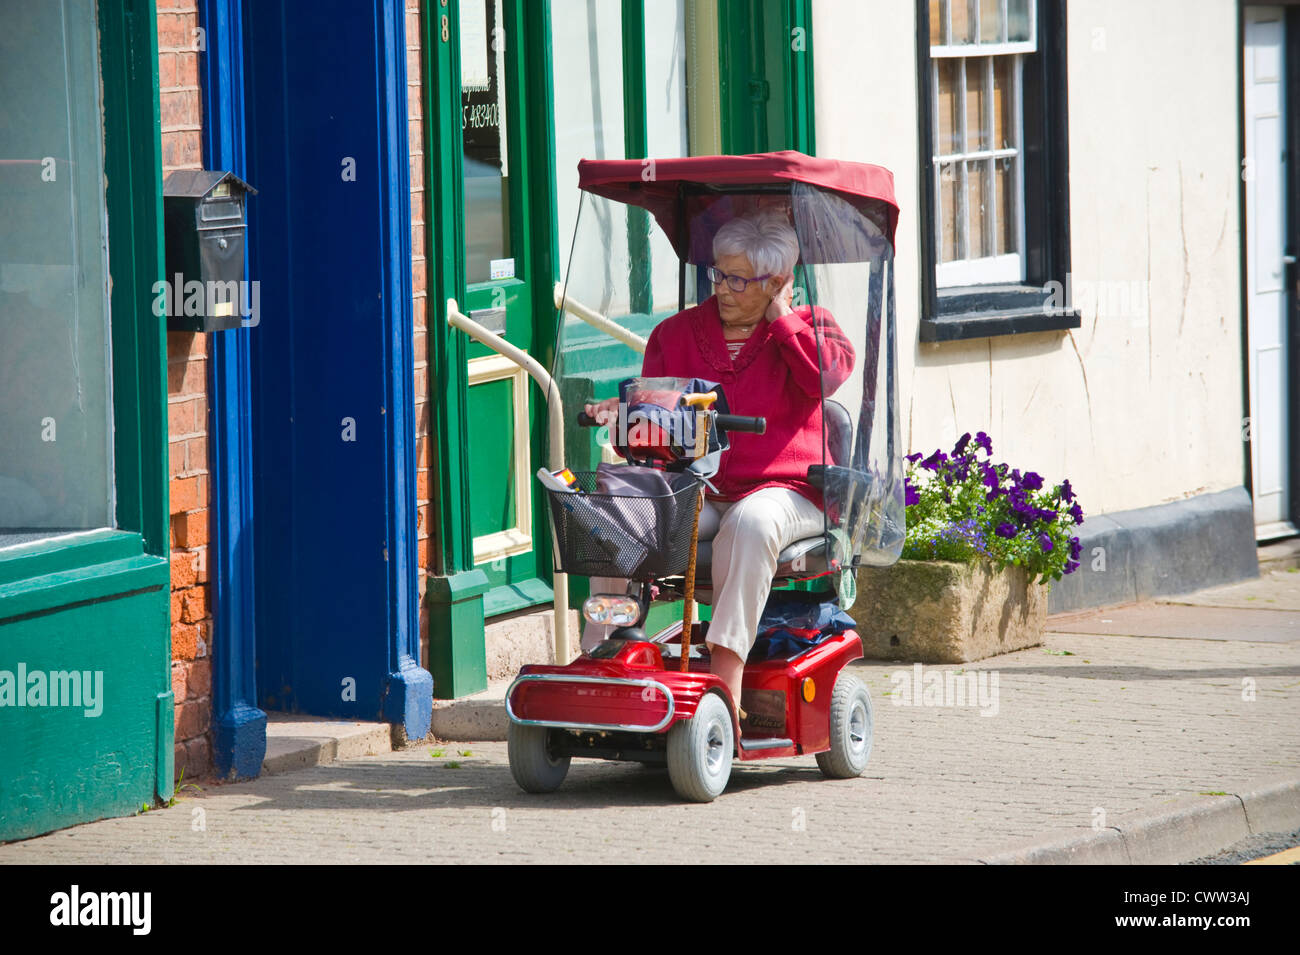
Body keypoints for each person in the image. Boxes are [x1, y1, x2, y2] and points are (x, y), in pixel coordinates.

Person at [583, 209, 855, 726]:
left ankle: (726, 680)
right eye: (718, 274)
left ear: (776, 282)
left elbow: (825, 377)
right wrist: (626, 417)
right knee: (624, 512)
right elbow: (654, 434)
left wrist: (782, 319)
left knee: (750, 522)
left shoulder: (814, 327)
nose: (723, 289)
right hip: (703, 486)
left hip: (789, 490)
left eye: (738, 280)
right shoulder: (676, 334)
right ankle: (604, 650)